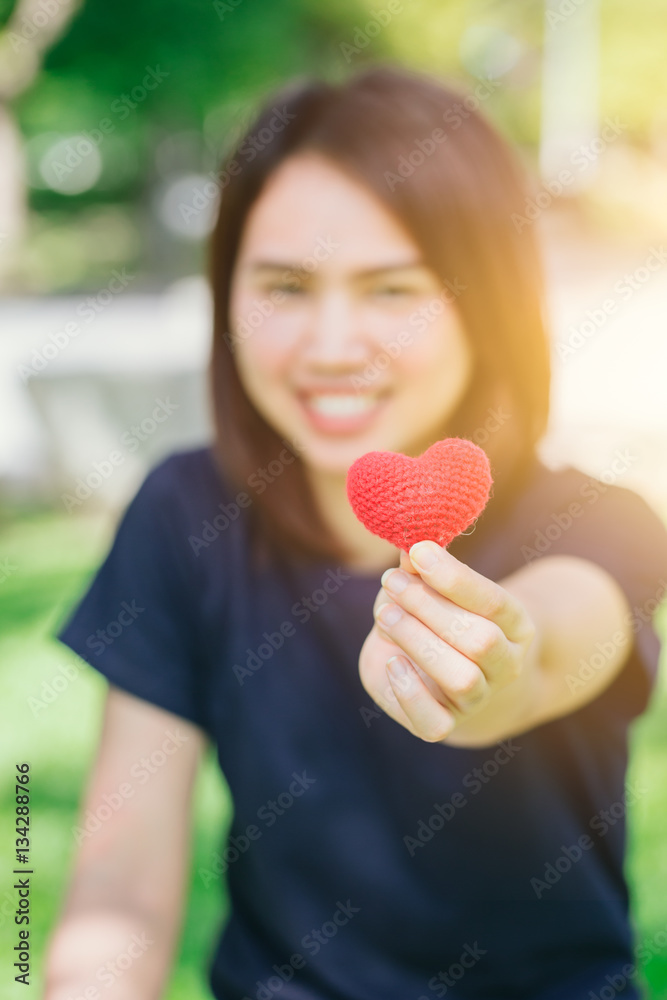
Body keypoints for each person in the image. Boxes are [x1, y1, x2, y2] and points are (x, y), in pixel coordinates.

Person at [45, 65, 667, 1000]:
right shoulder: (184, 518)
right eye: (286, 286)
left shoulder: (598, 525)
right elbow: (117, 891)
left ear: (485, 303)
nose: (332, 345)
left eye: (392, 289)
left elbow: (545, 647)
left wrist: (488, 673)